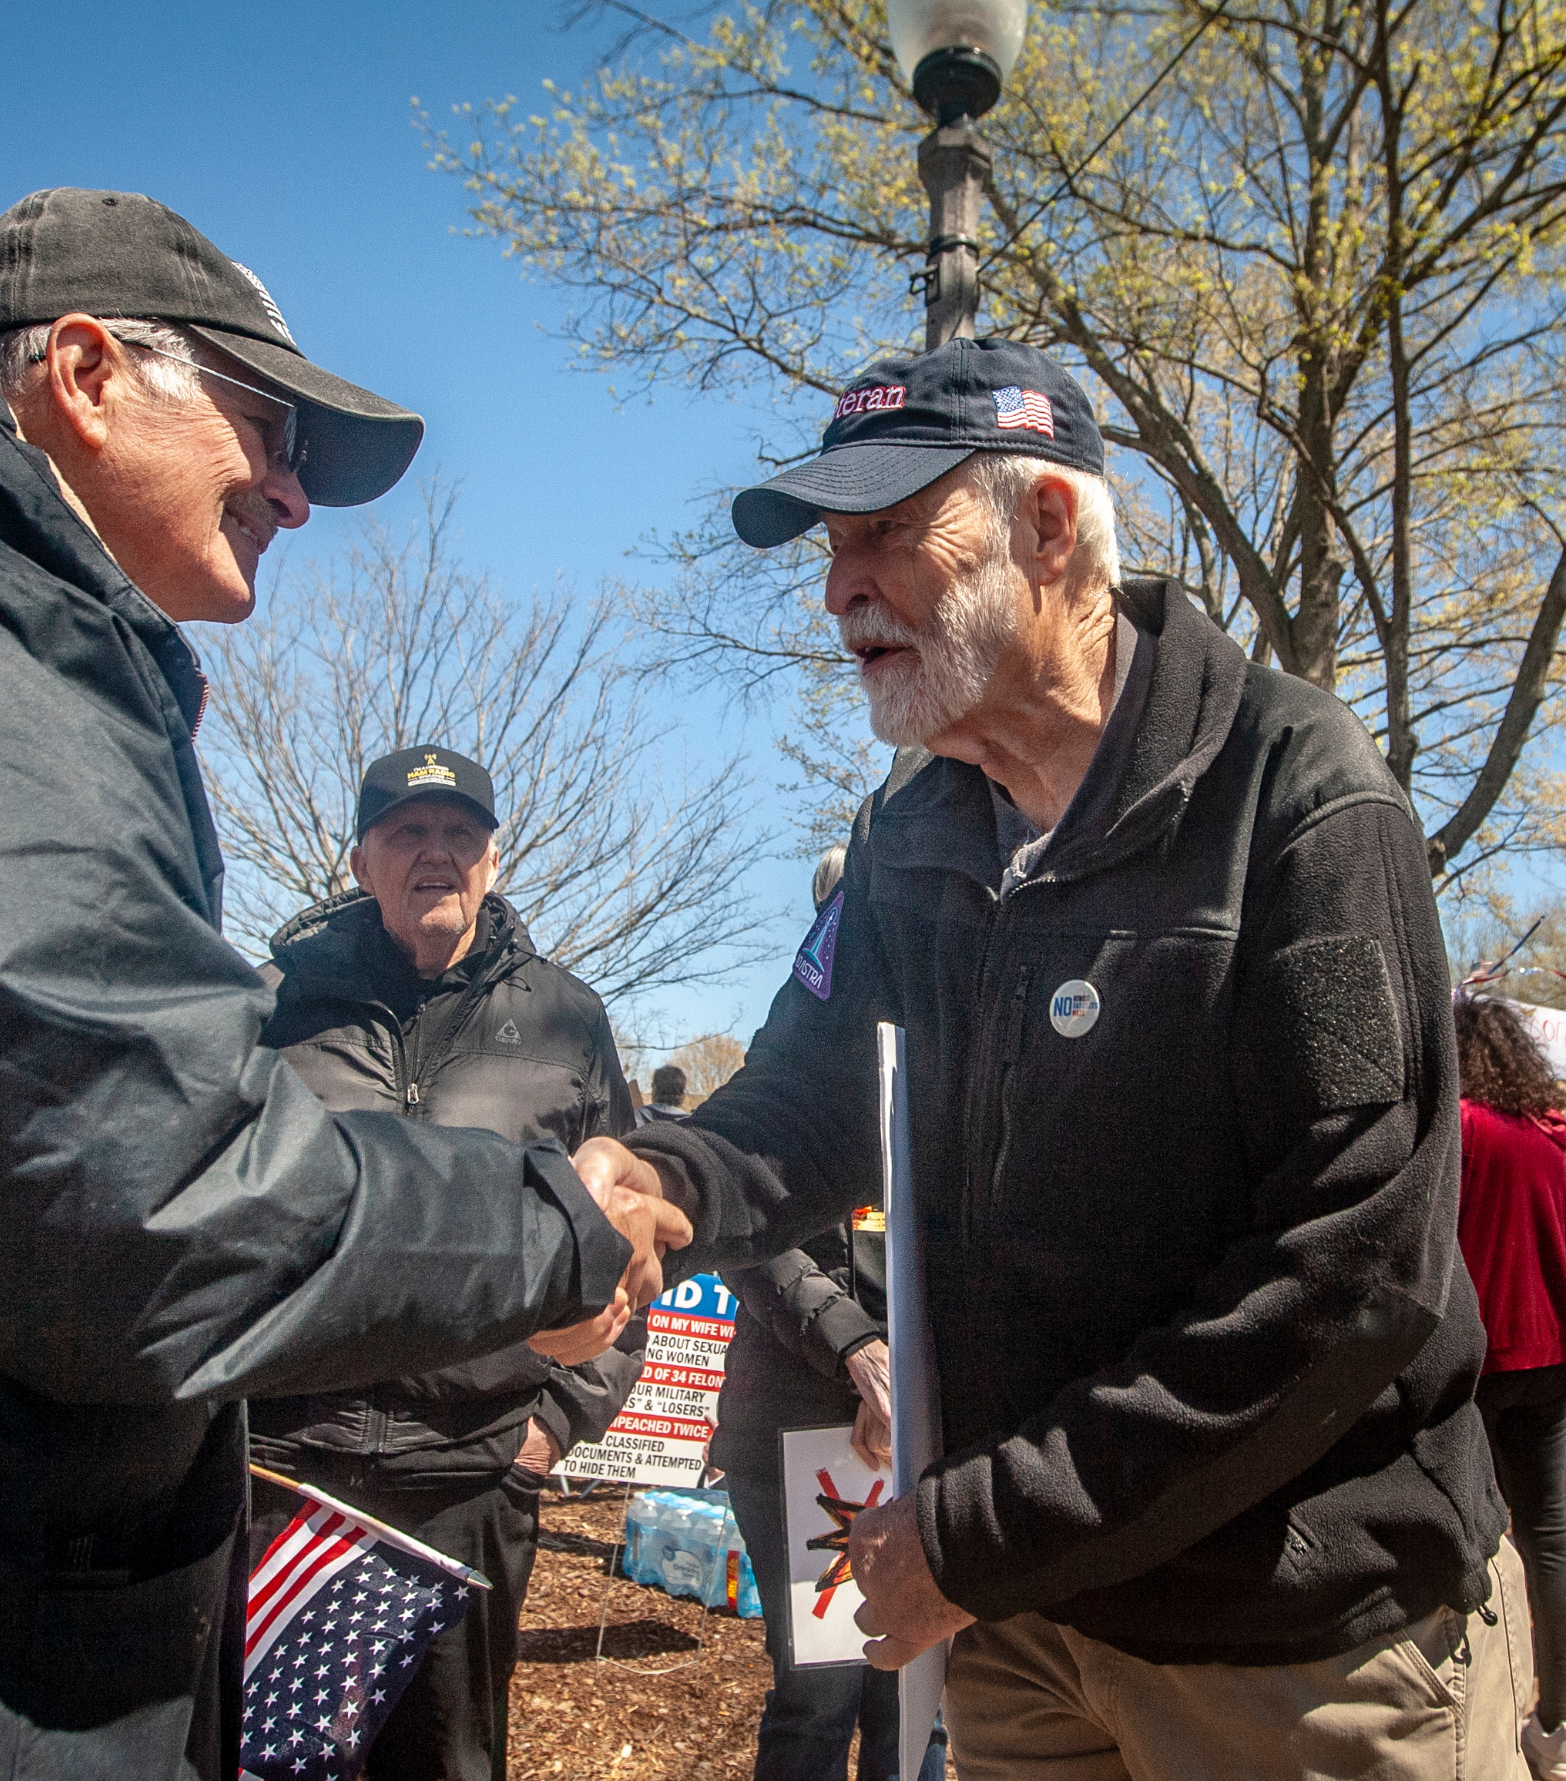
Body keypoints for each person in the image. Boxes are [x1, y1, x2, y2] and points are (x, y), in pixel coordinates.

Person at [0, 189, 686, 1780]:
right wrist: (558, 1226)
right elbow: (139, 1193)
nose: (295, 494)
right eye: (268, 428)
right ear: (85, 374)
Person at [578, 337, 1527, 1779]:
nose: (840, 590)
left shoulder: (1303, 799)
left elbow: (1352, 1277)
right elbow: (809, 1094)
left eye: (889, 531)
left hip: (1290, 1642)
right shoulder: (912, 833)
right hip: (1020, 1627)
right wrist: (657, 1183)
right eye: (832, 549)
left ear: (1049, 525)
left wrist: (980, 1530)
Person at [248, 744, 643, 1781]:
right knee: (263, 1761)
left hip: (472, 1472)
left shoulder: (565, 1018)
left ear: (493, 859)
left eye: (459, 833)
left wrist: (552, 1426)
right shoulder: (268, 1005)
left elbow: (626, 1236)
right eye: (407, 831)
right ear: (358, 858)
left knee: (448, 1765)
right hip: (283, 1465)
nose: (437, 854)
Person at [711, 853, 919, 1781]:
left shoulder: (950, 1036)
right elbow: (745, 1228)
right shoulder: (790, 1054)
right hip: (795, 1425)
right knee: (823, 1684)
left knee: (915, 1687)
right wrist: (855, 1344)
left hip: (924, 1432)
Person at [1453, 996, 1566, 1777]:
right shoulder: (1556, 1135)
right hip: (1554, 1355)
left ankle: (1480, 1715)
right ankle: (1556, 1718)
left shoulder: (1458, 1129)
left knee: (1472, 1536)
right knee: (1552, 1539)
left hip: (1477, 1361)